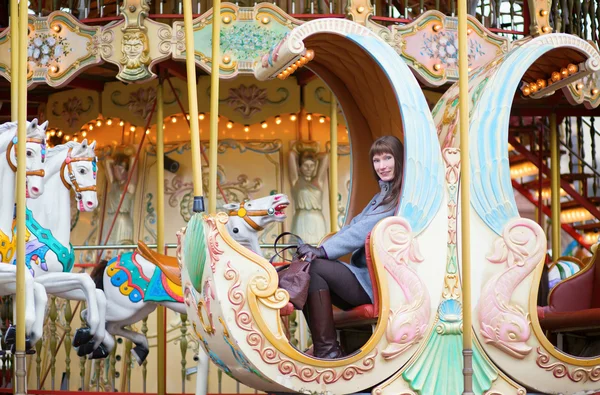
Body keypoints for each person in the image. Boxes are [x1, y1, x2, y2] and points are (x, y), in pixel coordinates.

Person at [296, 135, 404, 359]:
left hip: (379, 283)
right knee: (310, 268)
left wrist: (323, 251)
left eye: (387, 158)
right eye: (376, 160)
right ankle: (325, 347)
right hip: (367, 278)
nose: (382, 166)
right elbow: (353, 225)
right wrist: (317, 250)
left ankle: (327, 350)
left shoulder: (400, 197)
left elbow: (363, 229)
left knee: (315, 267)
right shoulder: (381, 196)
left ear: (399, 160)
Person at [289, 145, 329, 245]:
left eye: (312, 165)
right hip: (301, 217)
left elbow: (326, 157)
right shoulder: (296, 181)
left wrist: (314, 156)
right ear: (299, 167)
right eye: (305, 165)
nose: (309, 168)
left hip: (317, 218)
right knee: (300, 247)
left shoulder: (318, 182)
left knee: (319, 246)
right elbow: (291, 154)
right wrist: (301, 153)